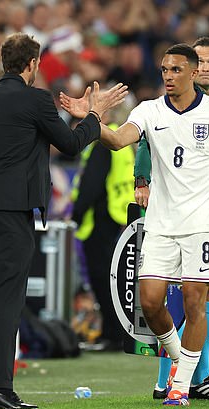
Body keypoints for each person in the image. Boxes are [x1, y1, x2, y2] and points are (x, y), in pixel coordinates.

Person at [60, 43, 209, 407]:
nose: (168, 76)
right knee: (150, 303)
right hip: (160, 224)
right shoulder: (149, 110)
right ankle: (176, 360)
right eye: (164, 70)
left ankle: (181, 386)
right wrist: (91, 119)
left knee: (195, 301)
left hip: (201, 224)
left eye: (175, 70)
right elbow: (120, 140)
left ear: (192, 72)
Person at [0, 32, 127, 409]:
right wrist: (93, 115)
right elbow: (71, 145)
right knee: (6, 302)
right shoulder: (36, 99)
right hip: (13, 214)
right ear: (32, 65)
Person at [133, 37, 209, 401]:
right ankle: (182, 376)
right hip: (178, 216)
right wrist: (142, 179)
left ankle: (189, 375)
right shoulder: (173, 106)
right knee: (187, 296)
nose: (208, 67)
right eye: (203, 61)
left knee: (205, 293)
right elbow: (144, 143)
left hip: (205, 214)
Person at [71, 120, 136, 351]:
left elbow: (91, 184)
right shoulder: (120, 140)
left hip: (100, 216)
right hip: (117, 215)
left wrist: (77, 214)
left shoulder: (102, 144)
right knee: (112, 276)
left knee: (102, 276)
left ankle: (113, 331)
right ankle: (115, 330)